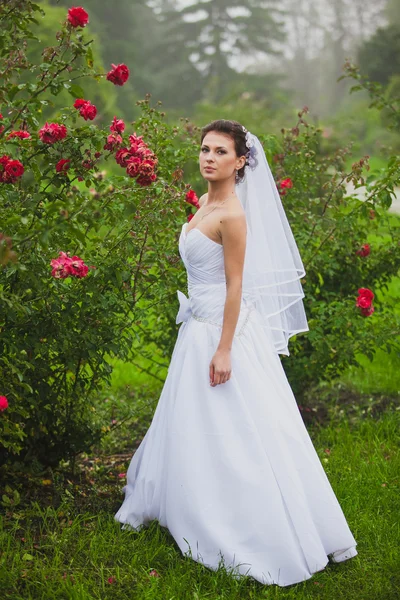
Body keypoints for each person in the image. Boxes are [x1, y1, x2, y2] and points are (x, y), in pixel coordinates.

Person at [114, 119, 358, 587]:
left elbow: (236, 286)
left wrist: (224, 349)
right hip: (196, 329)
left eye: (220, 152)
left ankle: (247, 522)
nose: (208, 157)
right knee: (191, 423)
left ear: (240, 161)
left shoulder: (233, 215)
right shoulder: (206, 202)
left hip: (220, 334)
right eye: (204, 149)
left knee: (240, 429)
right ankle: (188, 499)